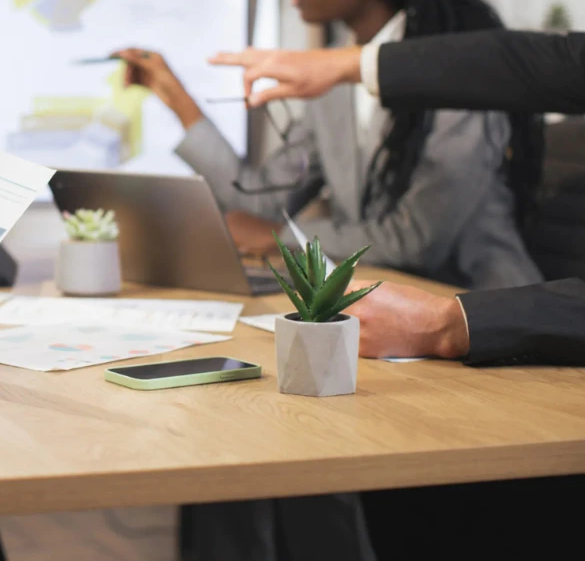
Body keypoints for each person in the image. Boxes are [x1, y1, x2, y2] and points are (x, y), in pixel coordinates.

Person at [114, 0, 544, 291]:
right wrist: (175, 97)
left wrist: (283, 237)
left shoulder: (456, 74)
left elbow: (416, 241)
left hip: (486, 320)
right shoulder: (333, 76)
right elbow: (260, 203)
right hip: (385, 311)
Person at [212, 26, 585, 367]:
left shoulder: (457, 108)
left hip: (501, 322)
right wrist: (355, 63)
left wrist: (449, 324)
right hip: (411, 325)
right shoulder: (337, 84)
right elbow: (555, 60)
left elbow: (412, 239)